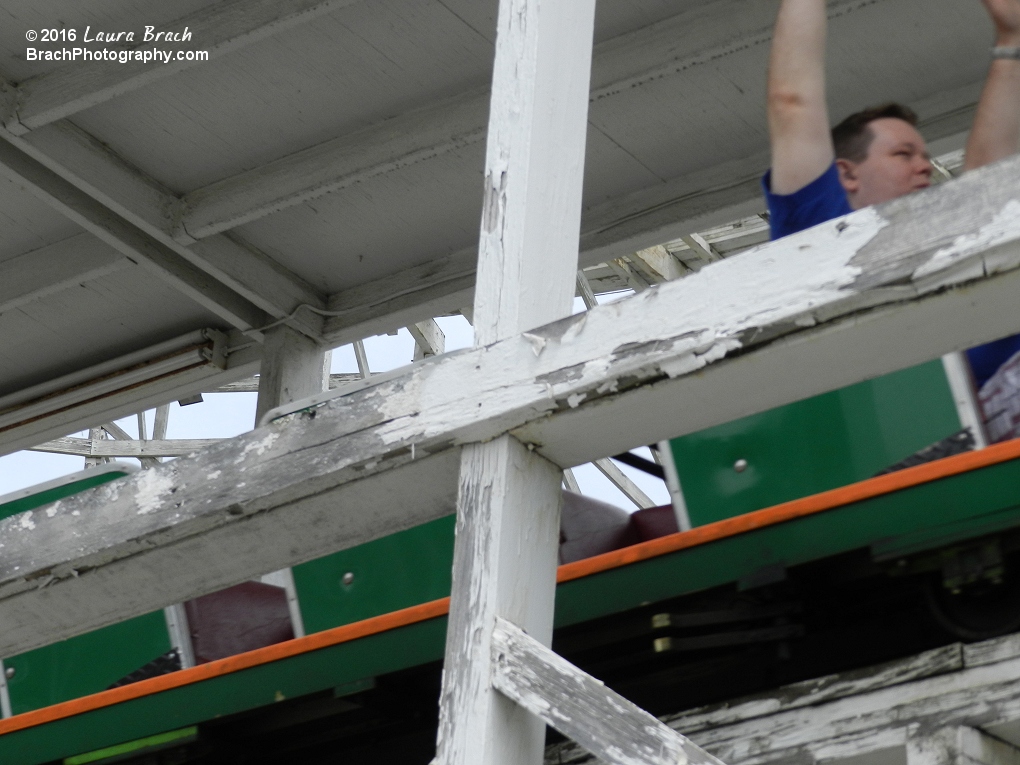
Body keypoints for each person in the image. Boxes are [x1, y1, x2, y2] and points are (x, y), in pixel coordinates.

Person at [765, 0, 1020, 395]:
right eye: (903, 154)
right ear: (846, 174)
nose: (925, 168)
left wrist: (1013, 39)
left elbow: (987, 179)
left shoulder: (959, 234)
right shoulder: (819, 230)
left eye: (926, 157)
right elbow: (791, 104)